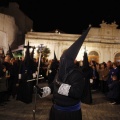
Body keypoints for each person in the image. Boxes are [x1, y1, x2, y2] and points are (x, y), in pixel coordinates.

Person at [35, 26, 91, 120]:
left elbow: (76, 92)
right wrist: (44, 90)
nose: (61, 62)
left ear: (69, 61)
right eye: (61, 60)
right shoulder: (60, 72)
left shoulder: (77, 74)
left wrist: (60, 84)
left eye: (63, 60)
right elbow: (54, 85)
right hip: (56, 110)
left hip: (69, 114)